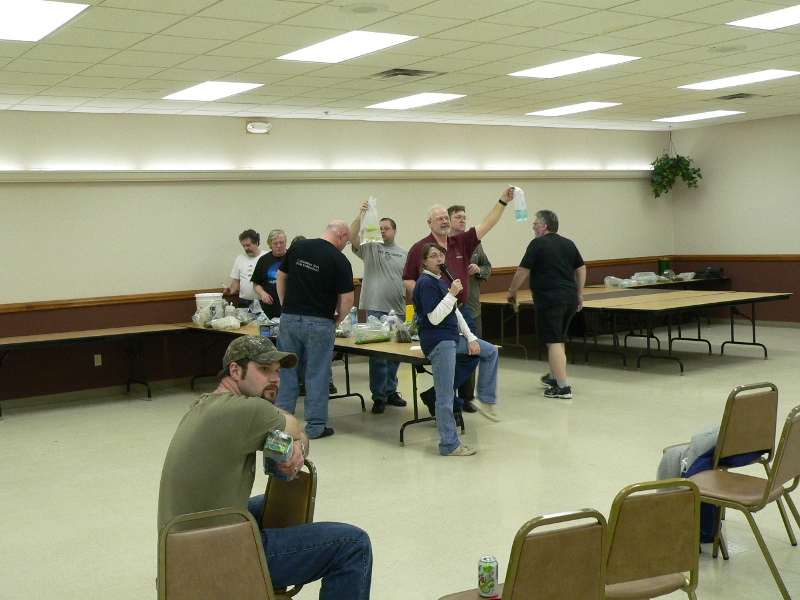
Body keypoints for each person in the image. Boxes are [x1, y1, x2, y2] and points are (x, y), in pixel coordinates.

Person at [157, 335, 372, 599]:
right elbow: (295, 427)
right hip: (213, 560)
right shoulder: (248, 411)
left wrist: (294, 445)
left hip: (180, 552)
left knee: (265, 503)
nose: (275, 379)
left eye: (277, 371)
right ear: (235, 371)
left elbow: (295, 437)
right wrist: (295, 440)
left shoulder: (205, 404)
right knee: (353, 544)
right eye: (264, 369)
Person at [403, 187, 513, 420]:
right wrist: (424, 299)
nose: (444, 221)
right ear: (430, 223)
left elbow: (487, 224)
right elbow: (408, 278)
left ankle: (439, 395)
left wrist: (503, 201)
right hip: (437, 317)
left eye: (446, 217)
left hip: (462, 312)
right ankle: (445, 402)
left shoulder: (461, 242)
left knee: (476, 352)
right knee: (451, 358)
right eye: (439, 219)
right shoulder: (421, 249)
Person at [412, 243, 499, 456]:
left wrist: (471, 338)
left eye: (441, 255)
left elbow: (456, 313)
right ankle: (449, 444)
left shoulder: (440, 281)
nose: (439, 259)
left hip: (452, 337)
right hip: (438, 341)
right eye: (434, 256)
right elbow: (434, 318)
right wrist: (452, 294)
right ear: (424, 261)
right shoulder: (425, 283)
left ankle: (485, 399)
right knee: (445, 394)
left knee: (489, 351)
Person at [275, 221, 355, 439]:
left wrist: (285, 306)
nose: (345, 245)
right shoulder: (339, 259)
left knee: (286, 371)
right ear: (341, 235)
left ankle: (282, 423)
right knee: (317, 374)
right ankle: (315, 426)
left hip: (289, 319)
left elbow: (281, 277)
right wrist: (338, 319)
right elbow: (348, 298)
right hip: (319, 321)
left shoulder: (298, 247)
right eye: (347, 241)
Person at [507, 210, 585, 399]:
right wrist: (580, 293)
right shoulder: (568, 243)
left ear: (544, 226)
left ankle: (563, 387)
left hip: (550, 299)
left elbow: (522, 270)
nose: (533, 227)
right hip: (569, 298)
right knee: (558, 339)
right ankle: (554, 376)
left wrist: (512, 291)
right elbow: (581, 268)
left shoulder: (537, 244)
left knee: (553, 341)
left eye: (535, 224)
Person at [350, 202, 408, 414]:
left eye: (387, 228)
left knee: (394, 356)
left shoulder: (405, 253)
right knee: (378, 357)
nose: (383, 231)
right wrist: (361, 215)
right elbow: (351, 236)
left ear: (394, 231)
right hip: (375, 309)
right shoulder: (370, 248)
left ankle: (391, 391)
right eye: (380, 228)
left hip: (398, 309)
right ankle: (379, 397)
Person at [448, 204, 492, 410]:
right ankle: (448, 396)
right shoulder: (442, 245)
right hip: (449, 310)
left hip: (472, 307)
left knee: (473, 352)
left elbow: (487, 267)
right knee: (451, 355)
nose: (463, 220)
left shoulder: (474, 244)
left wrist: (479, 269)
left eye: (464, 217)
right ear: (448, 220)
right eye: (458, 217)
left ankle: (467, 397)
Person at [252, 229, 288, 319]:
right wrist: (262, 293)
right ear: (270, 244)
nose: (279, 246)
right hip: (270, 307)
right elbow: (256, 284)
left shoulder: (292, 257)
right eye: (275, 243)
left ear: (285, 243)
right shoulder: (263, 260)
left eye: (281, 242)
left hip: (289, 307)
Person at [225, 229, 263, 309]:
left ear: (256, 243)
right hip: (245, 302)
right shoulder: (239, 259)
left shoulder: (267, 257)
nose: (246, 248)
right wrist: (231, 290)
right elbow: (236, 281)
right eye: (243, 246)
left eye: (248, 245)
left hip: (264, 302)